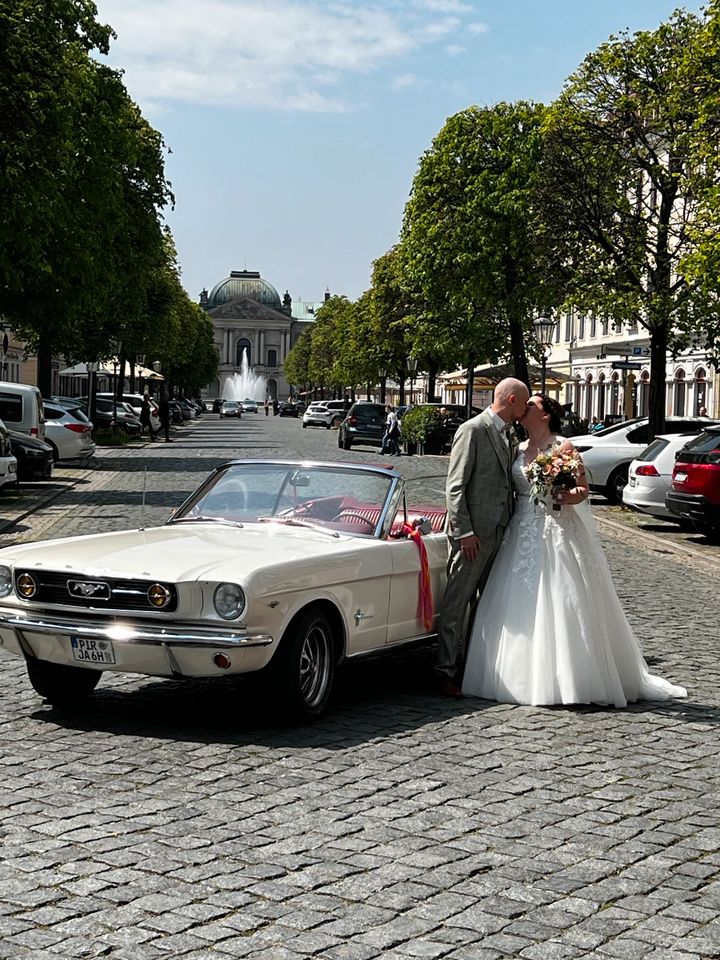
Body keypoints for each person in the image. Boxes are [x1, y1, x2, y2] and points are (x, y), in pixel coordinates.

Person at [461, 394, 687, 706]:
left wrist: (562, 496)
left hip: (556, 527)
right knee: (517, 599)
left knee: (563, 596)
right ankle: (517, 674)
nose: (524, 408)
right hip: (521, 530)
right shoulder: (517, 448)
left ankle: (571, 678)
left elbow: (582, 490)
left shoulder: (563, 447)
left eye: (532, 406)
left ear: (545, 415)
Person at [436, 377, 530, 697]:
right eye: (525, 402)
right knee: (456, 604)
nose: (526, 410)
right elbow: (455, 486)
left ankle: (471, 666)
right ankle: (444, 671)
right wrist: (464, 532)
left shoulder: (510, 433)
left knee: (484, 605)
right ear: (512, 399)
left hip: (498, 531)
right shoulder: (473, 430)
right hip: (473, 534)